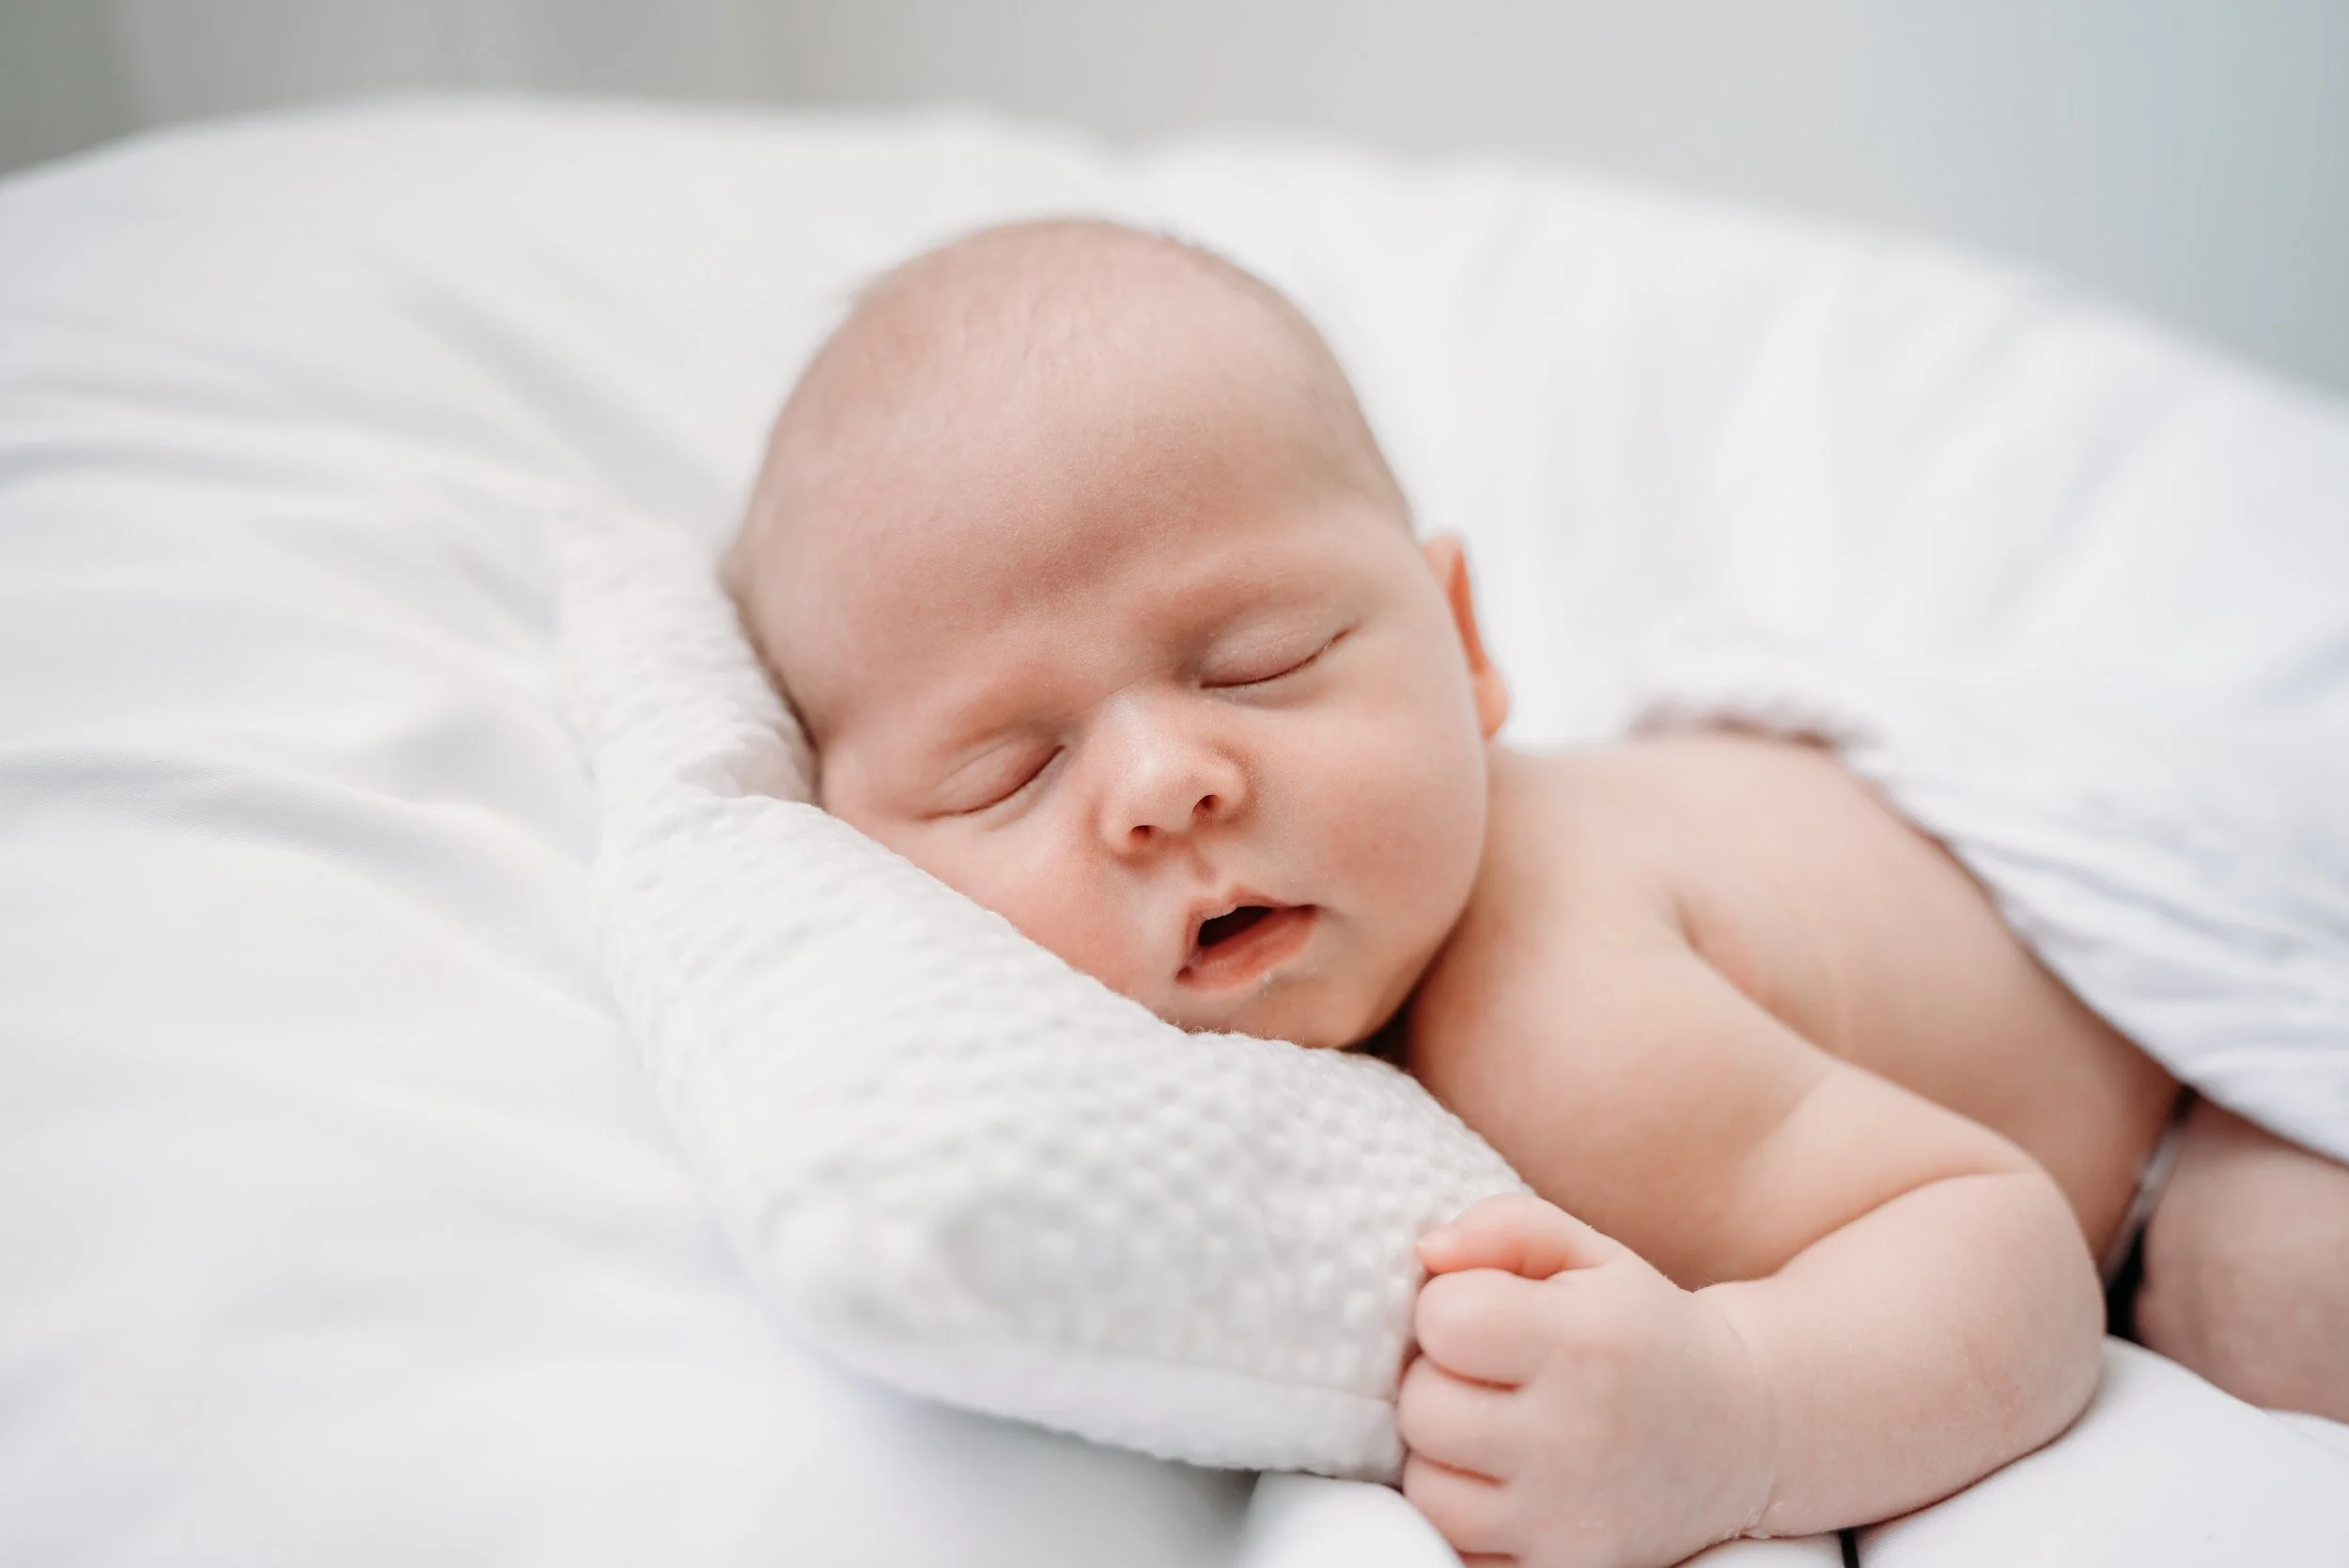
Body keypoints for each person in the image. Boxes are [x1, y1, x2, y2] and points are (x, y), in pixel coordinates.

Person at [724, 218, 2349, 1566]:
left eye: (1260, 664)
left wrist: (1741, 1413)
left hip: (2161, 1100)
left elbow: (2001, 1243)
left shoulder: (1559, 1014)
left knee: (2288, 1299)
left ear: (1468, 645)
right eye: (1008, 771)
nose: (1163, 784)